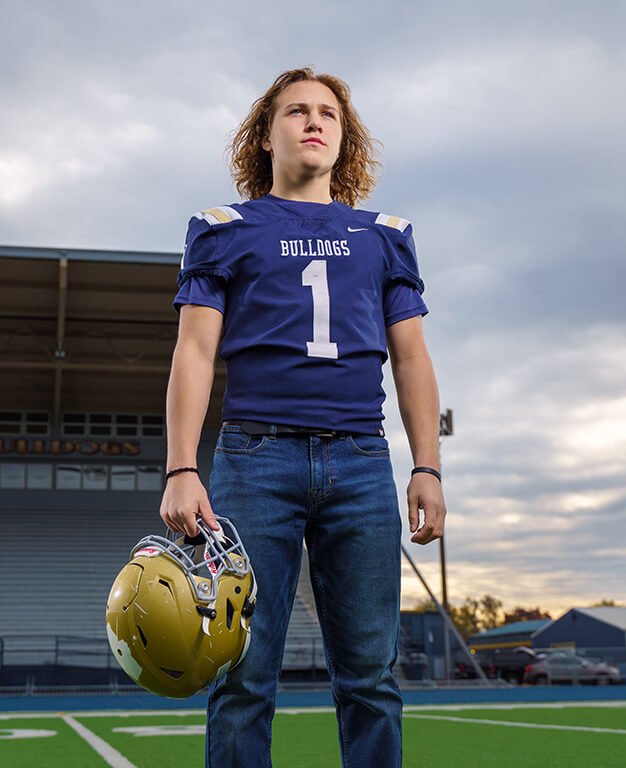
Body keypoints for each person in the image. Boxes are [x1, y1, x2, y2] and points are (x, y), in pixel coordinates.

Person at [159, 67, 446, 768]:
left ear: (344, 138)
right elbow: (195, 351)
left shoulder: (385, 235)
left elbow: (410, 358)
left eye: (328, 114)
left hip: (359, 460)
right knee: (243, 675)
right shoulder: (224, 229)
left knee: (372, 676)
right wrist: (181, 467)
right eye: (295, 111)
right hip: (256, 460)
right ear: (266, 134)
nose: (313, 122)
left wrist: (428, 466)